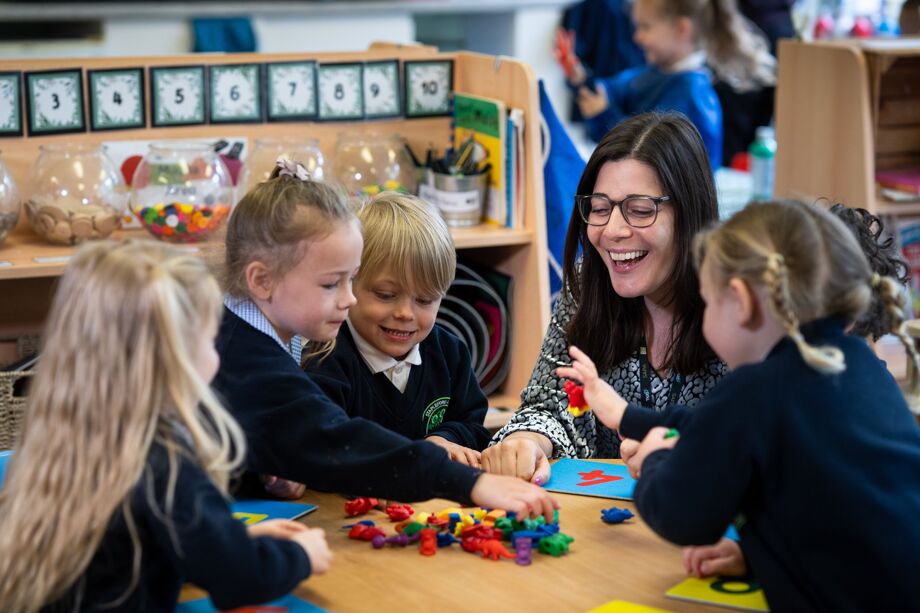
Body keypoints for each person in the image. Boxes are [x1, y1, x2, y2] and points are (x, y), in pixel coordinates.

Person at [558, 199, 920, 610]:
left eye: (709, 304)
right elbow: (845, 521)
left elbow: (682, 516)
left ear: (741, 302)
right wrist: (628, 416)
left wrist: (658, 458)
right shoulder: (861, 367)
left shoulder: (755, 390)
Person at [213, 157, 557, 518]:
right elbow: (337, 440)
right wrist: (471, 483)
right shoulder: (248, 356)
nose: (348, 299)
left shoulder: (254, 335)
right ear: (261, 280)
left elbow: (289, 441)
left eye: (350, 280)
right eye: (331, 284)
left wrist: (278, 469)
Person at [0, 241, 332, 612]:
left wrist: (234, 540)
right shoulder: (165, 463)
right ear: (175, 360)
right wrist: (301, 555)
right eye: (210, 340)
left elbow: (130, 553)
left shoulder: (68, 439)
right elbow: (242, 579)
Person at [482, 112, 726, 484]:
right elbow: (550, 403)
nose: (611, 230)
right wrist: (528, 441)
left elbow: (765, 440)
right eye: (599, 209)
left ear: (690, 212)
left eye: (640, 211)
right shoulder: (587, 283)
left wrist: (689, 455)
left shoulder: (740, 303)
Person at [305, 192, 490, 466]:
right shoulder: (325, 358)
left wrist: (444, 439)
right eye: (385, 295)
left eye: (424, 300)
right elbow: (322, 445)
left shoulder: (450, 353)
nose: (405, 313)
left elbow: (473, 424)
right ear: (349, 283)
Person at [565, 1, 765, 171]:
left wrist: (603, 116)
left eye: (645, 27)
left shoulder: (692, 93)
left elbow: (647, 151)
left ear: (681, 29)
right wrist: (581, 78)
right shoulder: (651, 73)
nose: (636, 37)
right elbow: (611, 91)